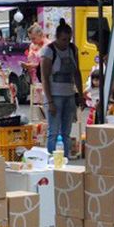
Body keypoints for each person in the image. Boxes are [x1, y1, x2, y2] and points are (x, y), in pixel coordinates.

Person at [40, 19, 85, 156]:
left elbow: (77, 73)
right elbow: (45, 78)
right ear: (57, 38)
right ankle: (52, 158)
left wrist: (80, 95)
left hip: (69, 95)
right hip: (55, 95)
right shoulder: (48, 51)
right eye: (64, 39)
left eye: (69, 39)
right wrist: (50, 101)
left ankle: (65, 157)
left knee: (66, 131)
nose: (66, 43)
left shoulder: (72, 49)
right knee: (53, 131)